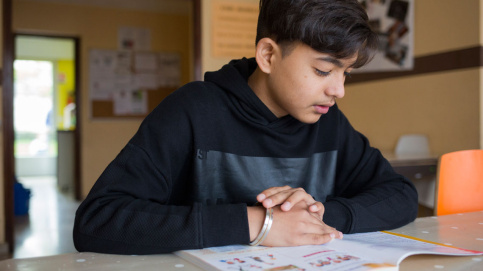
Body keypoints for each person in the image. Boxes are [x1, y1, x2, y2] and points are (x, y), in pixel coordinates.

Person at [73, 0, 418, 255]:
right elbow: (98, 219)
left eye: (347, 73)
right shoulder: (193, 110)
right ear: (268, 55)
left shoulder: (329, 121)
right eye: (324, 71)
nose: (338, 90)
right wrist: (260, 223)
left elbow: (401, 196)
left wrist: (317, 214)